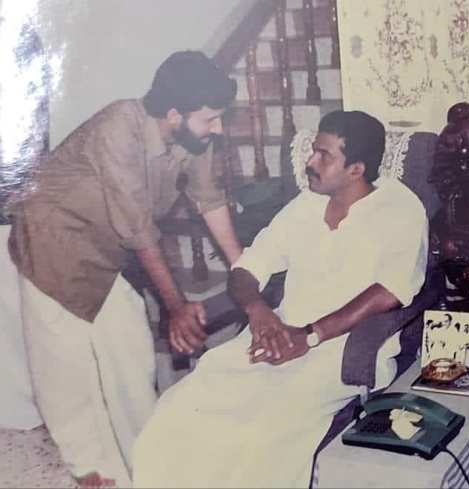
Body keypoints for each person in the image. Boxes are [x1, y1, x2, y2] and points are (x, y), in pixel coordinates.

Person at [131, 110, 428, 487]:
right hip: (272, 336)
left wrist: (310, 336)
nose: (310, 161)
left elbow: (390, 291)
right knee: (176, 413)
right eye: (313, 150)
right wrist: (258, 312)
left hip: (339, 351)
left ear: (356, 169)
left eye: (323, 155)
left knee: (260, 435)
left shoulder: (400, 209)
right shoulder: (306, 206)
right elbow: (247, 268)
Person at [7, 50, 242, 488]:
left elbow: (209, 199)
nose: (219, 128)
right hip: (50, 240)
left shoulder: (195, 138)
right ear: (174, 115)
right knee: (64, 367)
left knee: (131, 352)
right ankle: (92, 471)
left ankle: (146, 454)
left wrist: (244, 268)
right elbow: (138, 229)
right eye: (210, 119)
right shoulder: (119, 125)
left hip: (105, 248)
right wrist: (175, 306)